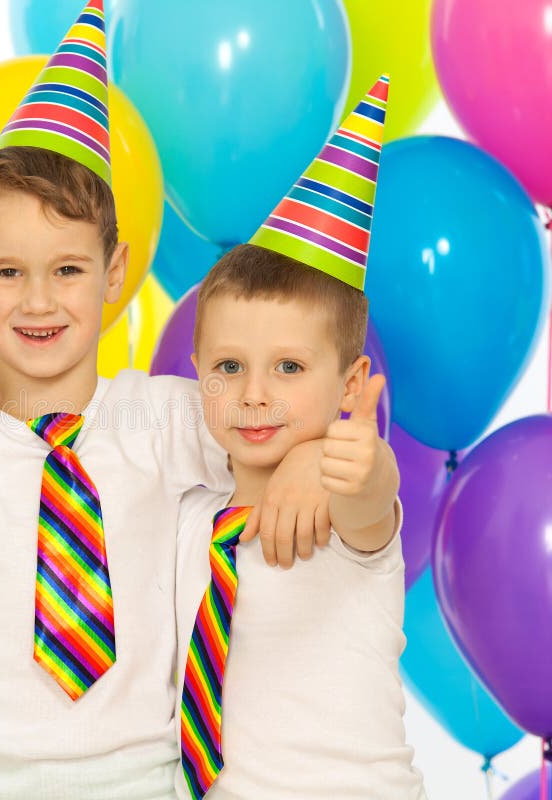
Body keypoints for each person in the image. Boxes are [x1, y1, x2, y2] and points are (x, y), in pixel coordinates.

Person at [0, 3, 342, 797]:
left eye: (66, 270)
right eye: (7, 272)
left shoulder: (168, 413)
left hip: (136, 783)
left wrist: (314, 459)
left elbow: (273, 415)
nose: (38, 300)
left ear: (114, 276)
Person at [173, 76, 426, 800]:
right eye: (229, 367)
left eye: (288, 367)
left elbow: (372, 498)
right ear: (197, 376)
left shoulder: (343, 521)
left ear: (349, 388)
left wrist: (338, 460)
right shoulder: (189, 519)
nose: (254, 393)